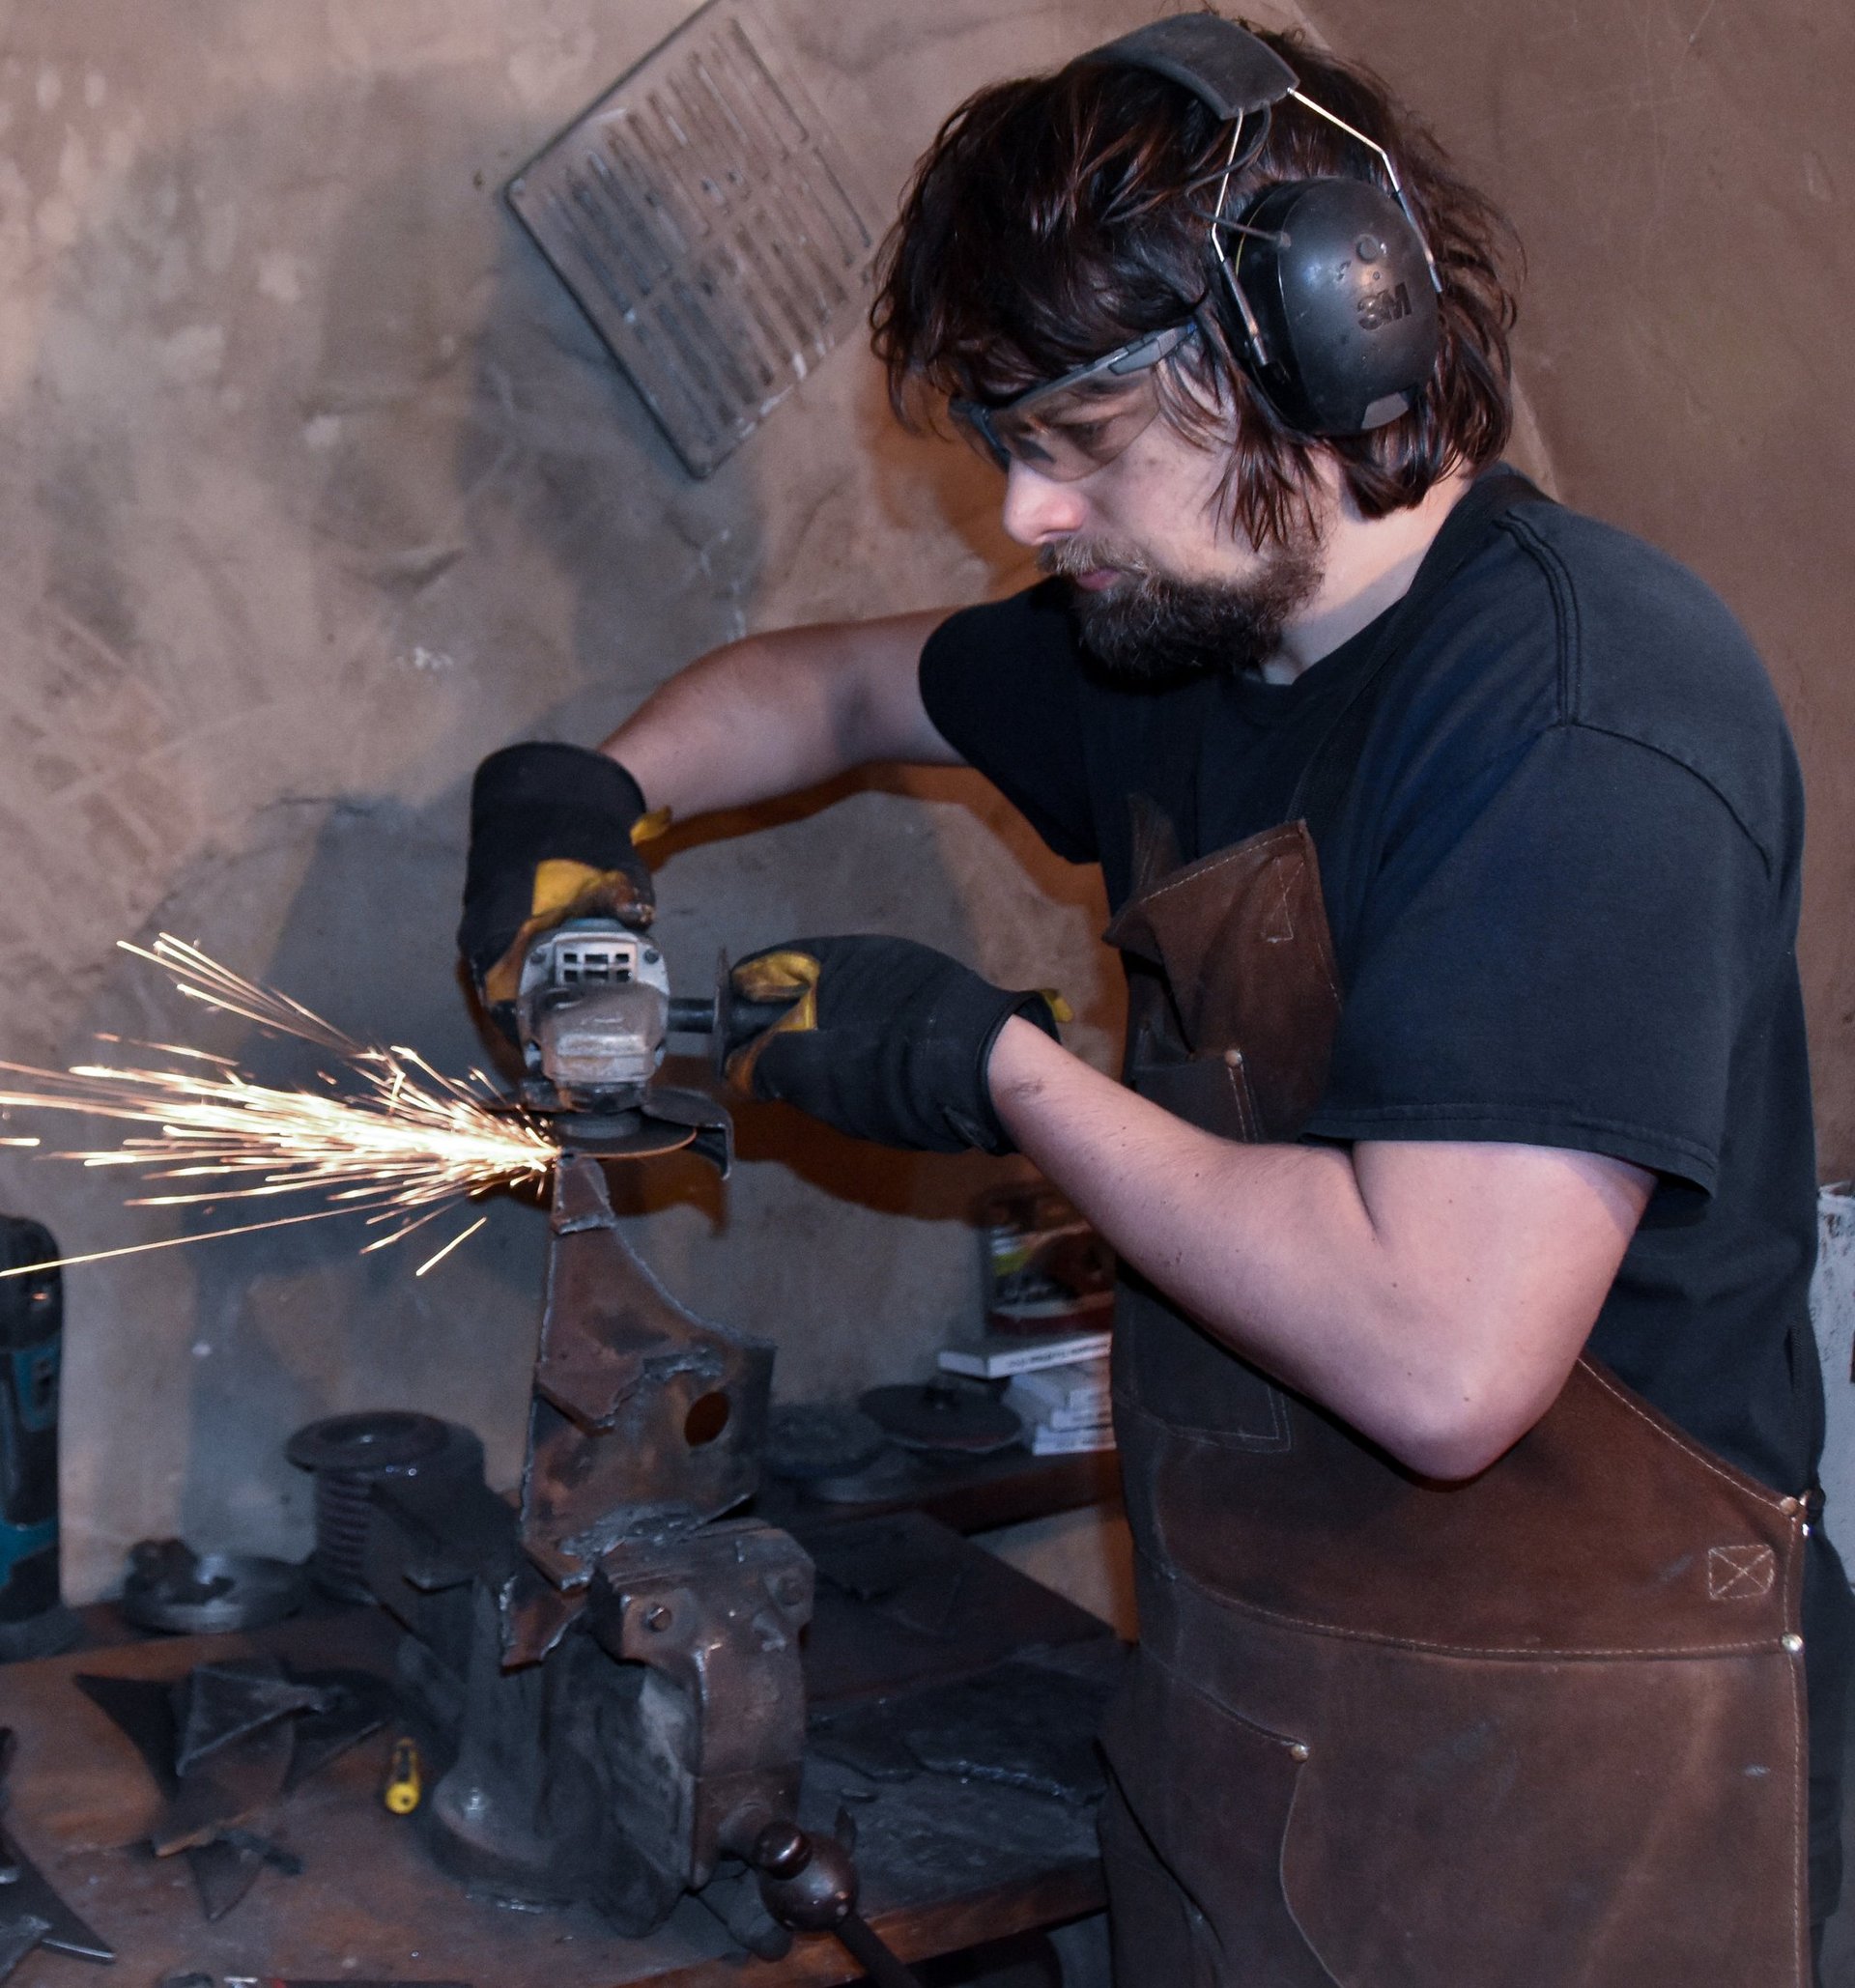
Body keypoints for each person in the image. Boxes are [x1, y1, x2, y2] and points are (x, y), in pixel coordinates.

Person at [459, 15, 1851, 1983]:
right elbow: (839, 688)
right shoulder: (1178, 639)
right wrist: (589, 800)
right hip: (1250, 1746)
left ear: (1324, 339)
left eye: (1074, 447)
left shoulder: (1573, 711)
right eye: (1007, 451)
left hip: (1583, 1821)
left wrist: (1000, 1071)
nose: (1027, 514)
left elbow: (1441, 1357)